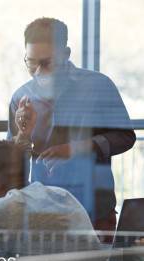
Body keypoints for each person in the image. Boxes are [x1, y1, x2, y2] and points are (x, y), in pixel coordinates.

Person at [8, 17, 135, 242]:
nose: (37, 72)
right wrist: (23, 134)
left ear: (65, 54)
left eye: (46, 63)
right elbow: (12, 162)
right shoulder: (20, 97)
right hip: (42, 213)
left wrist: (78, 148)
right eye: (30, 63)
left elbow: (125, 137)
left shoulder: (98, 86)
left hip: (95, 209)